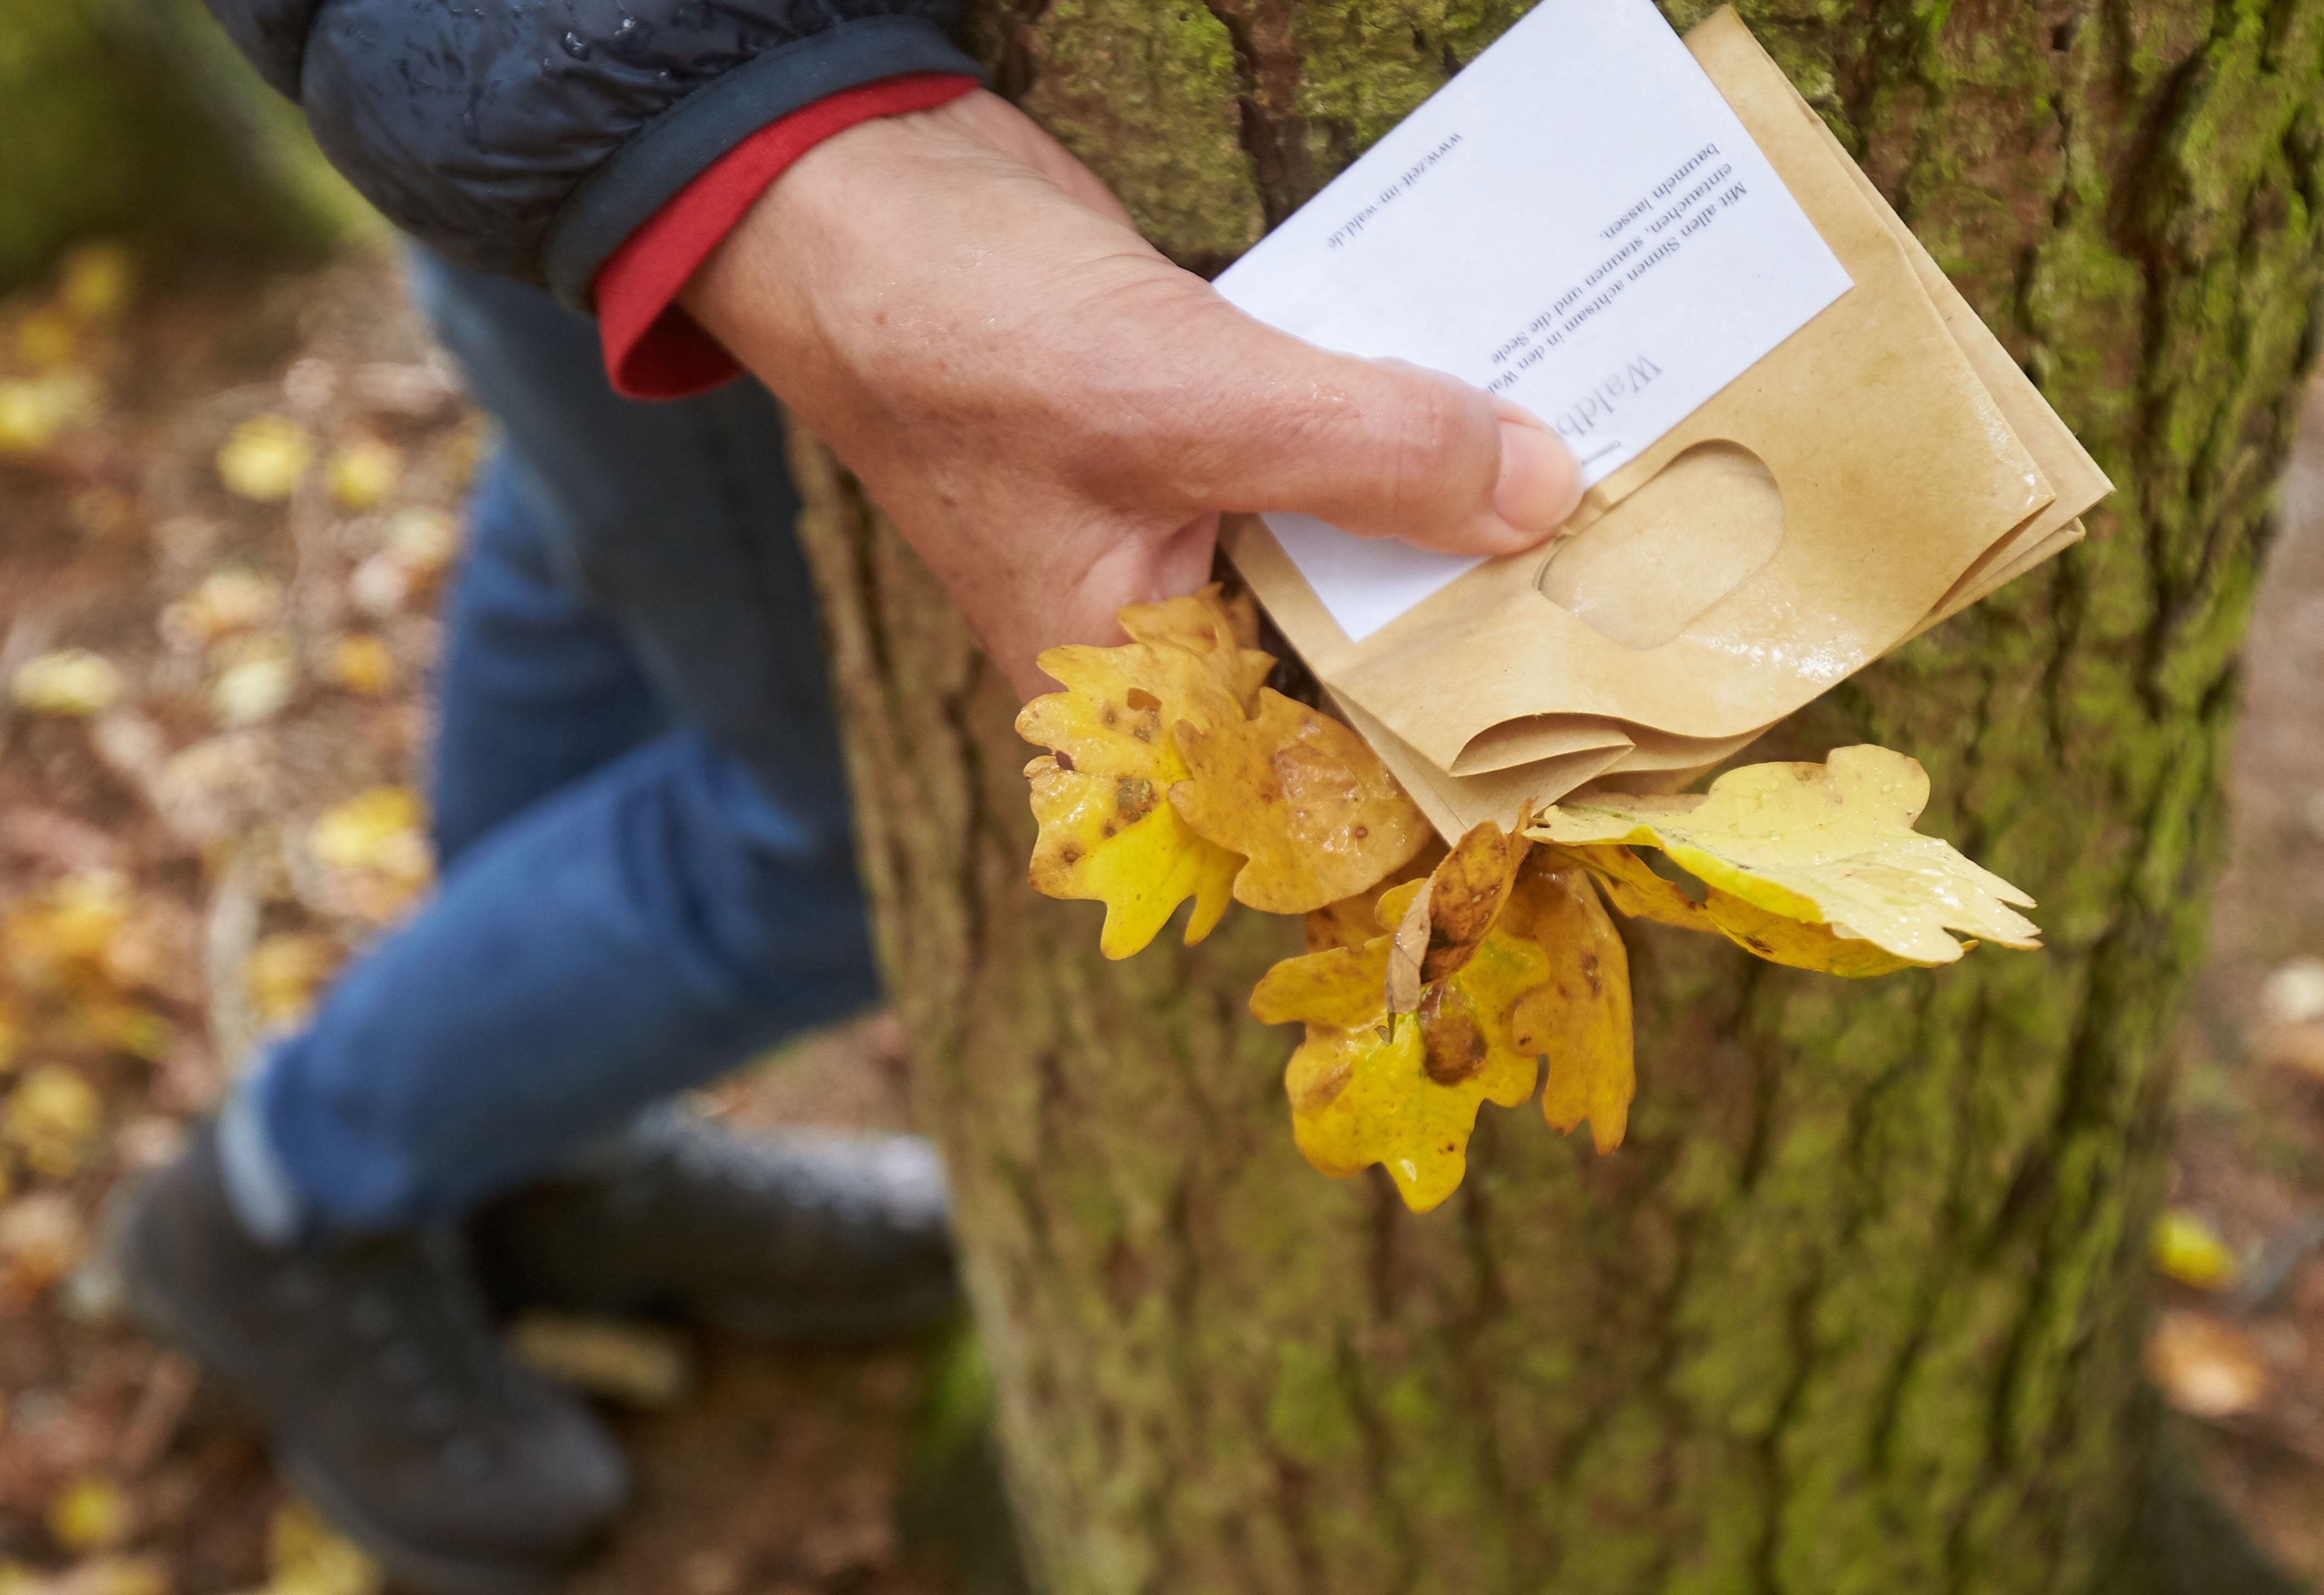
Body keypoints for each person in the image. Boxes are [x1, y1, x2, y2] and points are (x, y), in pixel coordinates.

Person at [122, 2, 1588, 1591]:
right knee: (817, 844)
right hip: (637, 103)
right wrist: (748, 129)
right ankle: (279, 1200)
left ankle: (533, 1149)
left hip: (556, 118)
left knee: (593, 505)